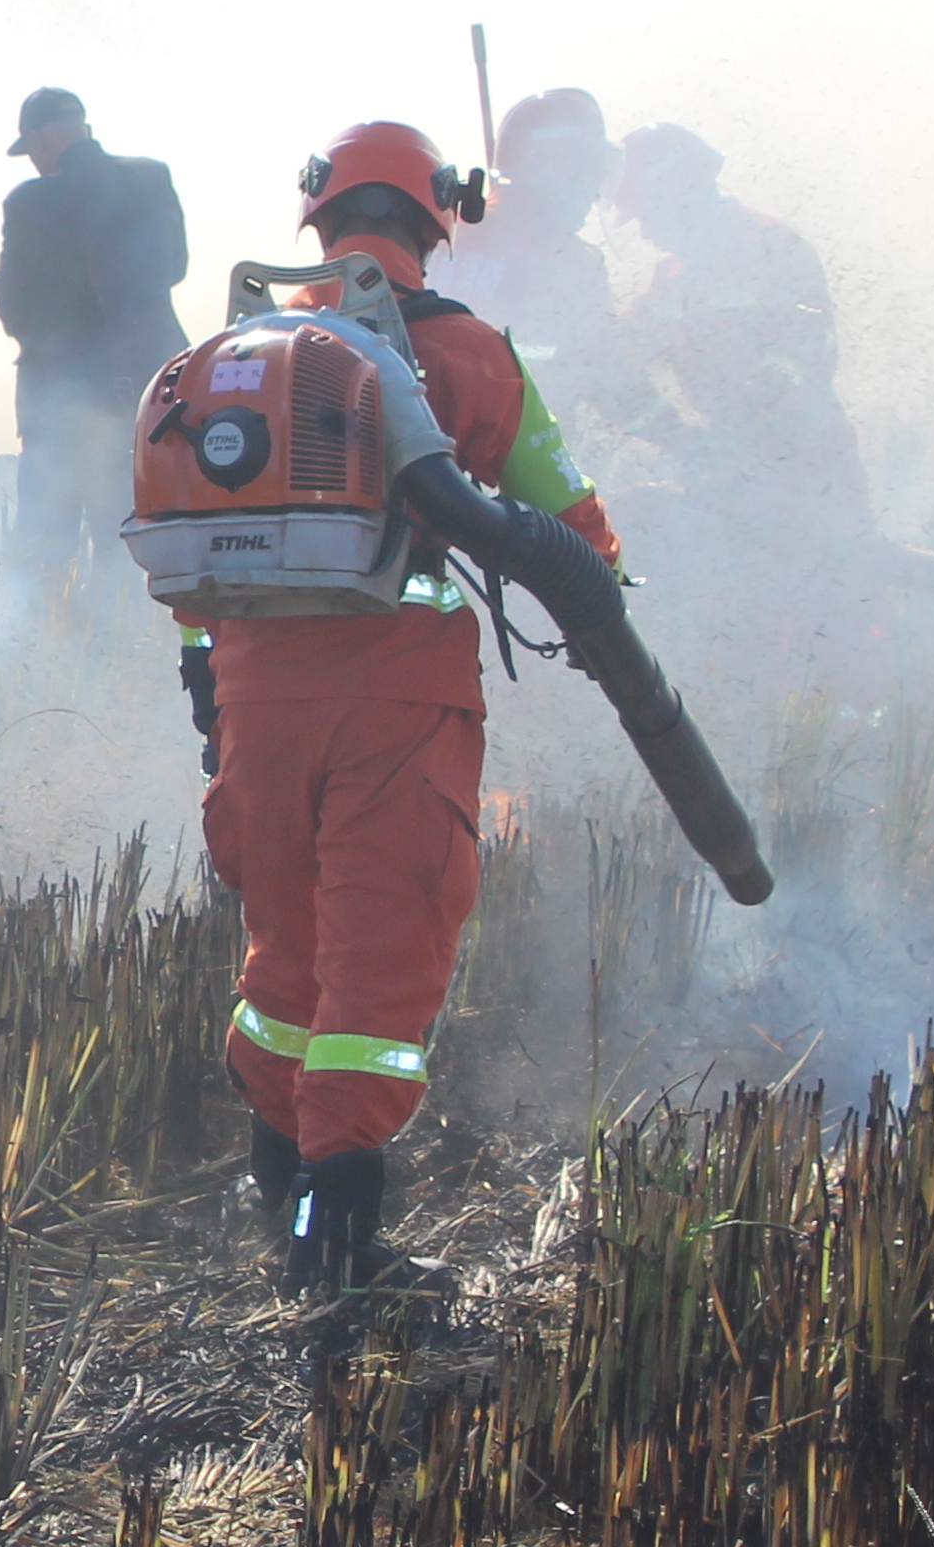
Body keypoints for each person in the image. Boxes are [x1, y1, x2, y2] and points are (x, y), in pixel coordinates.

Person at [201, 121, 623, 1293]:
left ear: (319, 219)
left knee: (285, 946)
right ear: (438, 218)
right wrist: (604, 593)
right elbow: (563, 513)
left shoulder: (239, 356)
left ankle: (279, 1200)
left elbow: (189, 526)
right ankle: (335, 1253)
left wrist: (210, 682)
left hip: (250, 695)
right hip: (394, 697)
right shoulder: (464, 351)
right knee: (380, 962)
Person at [609, 122, 861, 517]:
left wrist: (747, 422)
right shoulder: (675, 276)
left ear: (678, 195)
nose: (645, 233)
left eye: (647, 215)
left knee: (833, 563)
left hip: (808, 464)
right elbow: (628, 343)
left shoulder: (773, 249)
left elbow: (808, 352)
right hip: (733, 464)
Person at [0, 84, 187, 570]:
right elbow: (174, 267)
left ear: (43, 137)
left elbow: (14, 303)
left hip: (61, 396)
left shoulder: (29, 204)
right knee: (131, 536)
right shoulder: (150, 177)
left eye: (31, 148)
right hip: (148, 393)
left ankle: (48, 643)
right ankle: (123, 638)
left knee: (46, 544)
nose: (33, 160)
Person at [442, 87, 620, 412]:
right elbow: (610, 375)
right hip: (518, 436)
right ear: (561, 171)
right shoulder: (570, 261)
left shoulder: (446, 236)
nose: (593, 193)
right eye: (591, 175)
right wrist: (678, 432)